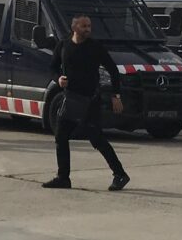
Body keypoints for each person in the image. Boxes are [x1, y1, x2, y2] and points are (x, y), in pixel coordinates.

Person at [42, 16, 130, 191]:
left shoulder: (95, 48)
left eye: (89, 26)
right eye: (84, 26)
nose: (88, 29)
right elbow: (52, 67)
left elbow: (113, 70)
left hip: (90, 101)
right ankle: (63, 177)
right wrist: (58, 79)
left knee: (96, 139)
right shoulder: (64, 45)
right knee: (61, 137)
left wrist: (116, 95)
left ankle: (120, 174)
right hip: (70, 99)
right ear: (74, 27)